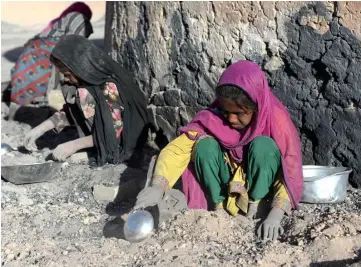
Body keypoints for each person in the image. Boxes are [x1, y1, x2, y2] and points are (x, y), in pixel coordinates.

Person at [134, 60, 304, 241]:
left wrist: (276, 214)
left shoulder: (277, 121)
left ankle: (255, 207)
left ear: (256, 107)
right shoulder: (213, 116)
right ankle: (219, 208)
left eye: (238, 113)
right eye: (226, 111)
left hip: (262, 189)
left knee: (263, 146)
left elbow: (290, 169)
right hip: (223, 188)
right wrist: (158, 187)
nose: (231, 119)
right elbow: (177, 149)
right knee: (203, 146)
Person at [23, 34, 149, 166]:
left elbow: (114, 131)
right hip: (105, 136)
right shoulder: (87, 83)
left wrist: (74, 145)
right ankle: (95, 146)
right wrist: (40, 129)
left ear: (81, 67)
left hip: (124, 142)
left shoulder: (108, 87)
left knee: (83, 95)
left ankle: (101, 150)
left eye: (67, 75)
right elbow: (72, 112)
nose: (65, 79)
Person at [9, 2, 93, 108]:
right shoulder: (80, 18)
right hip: (53, 49)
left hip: (34, 48)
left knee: (28, 72)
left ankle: (21, 99)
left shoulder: (62, 20)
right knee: (56, 74)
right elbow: (75, 40)